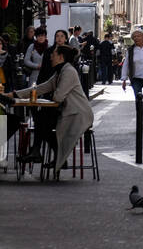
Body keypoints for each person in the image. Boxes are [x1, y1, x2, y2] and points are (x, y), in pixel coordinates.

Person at [7, 44, 94, 174]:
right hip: (69, 112)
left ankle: (41, 152)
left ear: (60, 57)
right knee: (42, 121)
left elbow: (58, 97)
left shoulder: (68, 71)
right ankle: (47, 154)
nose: (50, 57)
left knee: (42, 121)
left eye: (53, 54)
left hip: (78, 114)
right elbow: (43, 87)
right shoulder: (61, 70)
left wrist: (51, 95)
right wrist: (15, 94)